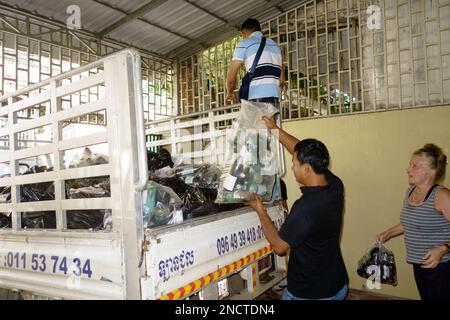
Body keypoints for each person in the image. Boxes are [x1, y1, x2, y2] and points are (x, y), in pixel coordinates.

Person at [245, 116, 349, 300]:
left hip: (309, 292)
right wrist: (274, 129)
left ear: (307, 168)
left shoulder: (305, 208)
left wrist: (260, 210)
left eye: (294, 164)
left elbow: (279, 247)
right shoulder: (335, 185)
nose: (292, 168)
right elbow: (300, 149)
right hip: (336, 283)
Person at [376, 144, 450, 300]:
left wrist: (443, 249)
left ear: (431, 172)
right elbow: (411, 223)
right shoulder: (410, 191)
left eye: (415, 166)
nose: (408, 170)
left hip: (442, 266)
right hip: (419, 263)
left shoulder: (441, 195)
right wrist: (388, 233)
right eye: (410, 165)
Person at [226, 18, 285, 105]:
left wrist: (229, 92)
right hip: (274, 100)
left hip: (255, 100)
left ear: (243, 32)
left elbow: (230, 79)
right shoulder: (275, 45)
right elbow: (282, 80)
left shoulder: (244, 44)